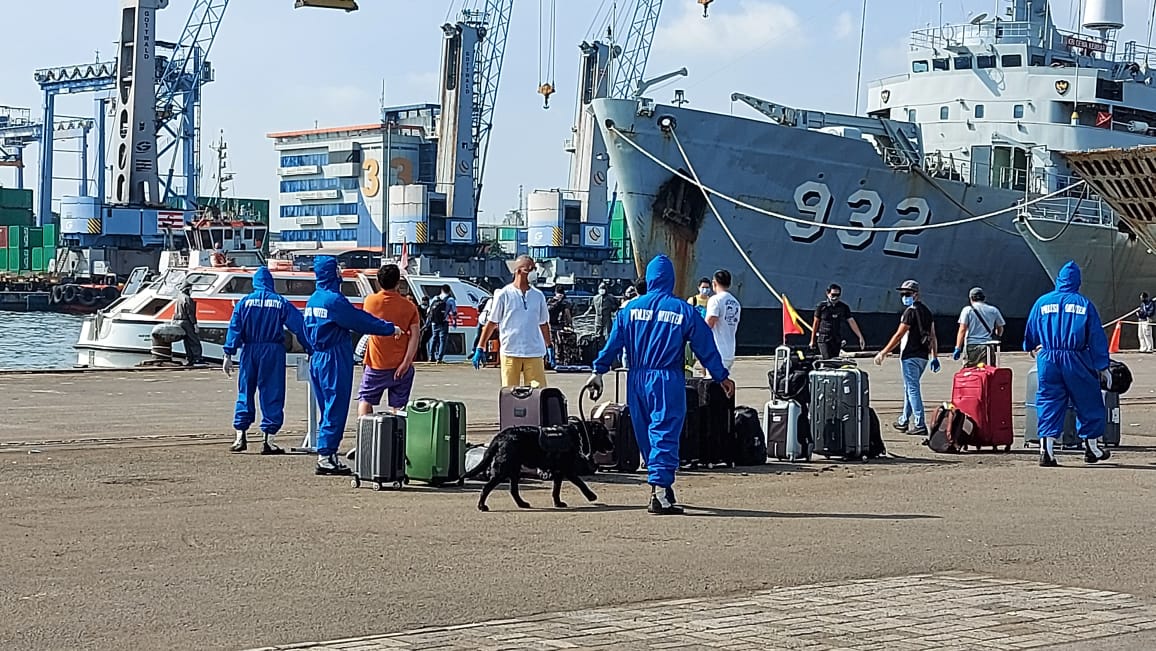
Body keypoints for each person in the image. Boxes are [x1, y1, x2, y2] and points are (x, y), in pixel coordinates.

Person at [584, 255, 735, 515]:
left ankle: (659, 485)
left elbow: (612, 344)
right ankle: (661, 491)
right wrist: (721, 376)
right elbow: (705, 345)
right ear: (671, 279)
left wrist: (598, 372)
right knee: (664, 431)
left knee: (645, 433)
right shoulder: (683, 310)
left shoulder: (628, 310)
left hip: (636, 379)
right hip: (666, 378)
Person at [304, 256, 402, 476]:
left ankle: (326, 451)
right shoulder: (334, 300)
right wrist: (389, 329)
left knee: (326, 406)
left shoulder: (314, 299)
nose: (340, 272)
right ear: (332, 273)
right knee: (335, 406)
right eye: (337, 269)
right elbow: (359, 320)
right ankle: (327, 456)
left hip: (317, 357)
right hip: (334, 357)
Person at [1024, 261, 1112, 467]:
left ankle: (1047, 450)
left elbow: (1031, 329)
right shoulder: (1084, 304)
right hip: (1076, 358)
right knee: (1088, 400)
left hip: (1048, 358)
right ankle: (1092, 447)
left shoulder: (1042, 302)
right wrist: (1103, 366)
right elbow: (1096, 338)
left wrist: (1030, 346)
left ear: (1058, 280)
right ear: (1077, 281)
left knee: (1048, 401)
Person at [221, 267, 312, 454]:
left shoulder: (244, 303)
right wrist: (309, 348)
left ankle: (240, 436)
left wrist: (228, 354)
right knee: (272, 392)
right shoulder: (280, 302)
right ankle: (269, 440)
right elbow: (299, 327)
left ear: (255, 283)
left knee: (245, 391)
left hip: (249, 350)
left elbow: (234, 328)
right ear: (270, 282)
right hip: (272, 350)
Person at [470, 255, 554, 387]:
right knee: (510, 391)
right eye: (530, 269)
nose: (534, 272)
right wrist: (480, 347)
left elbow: (543, 323)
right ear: (519, 271)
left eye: (534, 269)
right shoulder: (504, 294)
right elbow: (491, 323)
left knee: (538, 392)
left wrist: (549, 346)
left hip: (534, 352)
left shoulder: (538, 296)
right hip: (510, 351)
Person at [873, 280, 940, 437]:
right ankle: (903, 420)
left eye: (907, 294)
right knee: (909, 388)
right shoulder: (927, 312)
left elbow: (899, 334)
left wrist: (883, 352)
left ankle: (919, 423)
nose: (904, 297)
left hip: (910, 355)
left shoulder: (910, 312)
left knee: (912, 389)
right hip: (923, 356)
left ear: (916, 294)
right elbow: (933, 335)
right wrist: (934, 356)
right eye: (902, 294)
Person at [358, 264, 421, 417]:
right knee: (399, 407)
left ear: (378, 282)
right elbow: (415, 336)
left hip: (376, 363)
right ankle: (397, 437)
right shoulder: (409, 306)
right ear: (398, 282)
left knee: (365, 399)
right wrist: (406, 363)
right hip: (401, 364)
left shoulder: (370, 301)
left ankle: (365, 435)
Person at [810, 283, 866, 359]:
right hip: (824, 338)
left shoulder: (843, 307)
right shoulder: (821, 307)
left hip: (836, 339)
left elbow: (851, 321)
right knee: (827, 359)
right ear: (827, 293)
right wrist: (812, 340)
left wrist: (860, 336)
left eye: (837, 295)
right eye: (833, 295)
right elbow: (816, 323)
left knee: (835, 361)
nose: (835, 298)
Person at [953, 287, 1006, 366]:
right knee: (988, 371)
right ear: (984, 298)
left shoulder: (967, 310)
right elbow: (1000, 327)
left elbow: (962, 329)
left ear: (971, 298)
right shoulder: (993, 310)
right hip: (988, 346)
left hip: (972, 347)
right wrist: (997, 336)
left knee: (971, 372)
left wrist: (958, 347)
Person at [705, 269, 741, 372]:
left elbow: (709, 322)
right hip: (729, 350)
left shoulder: (715, 300)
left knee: (713, 385)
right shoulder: (735, 302)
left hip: (717, 351)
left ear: (714, 283)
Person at [173, 279, 202, 366]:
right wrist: (195, 324)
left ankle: (190, 358)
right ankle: (196, 359)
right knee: (194, 340)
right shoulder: (187, 299)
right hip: (186, 322)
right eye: (190, 288)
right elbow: (190, 313)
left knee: (186, 341)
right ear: (187, 289)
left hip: (178, 321)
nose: (191, 290)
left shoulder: (178, 298)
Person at [426, 284, 457, 363]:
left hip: (434, 322)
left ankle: (431, 356)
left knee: (434, 338)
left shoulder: (435, 298)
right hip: (444, 322)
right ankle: (439, 358)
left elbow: (429, 310)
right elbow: (454, 312)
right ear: (449, 291)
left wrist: (428, 322)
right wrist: (454, 322)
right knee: (442, 340)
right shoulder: (450, 300)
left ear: (441, 290)